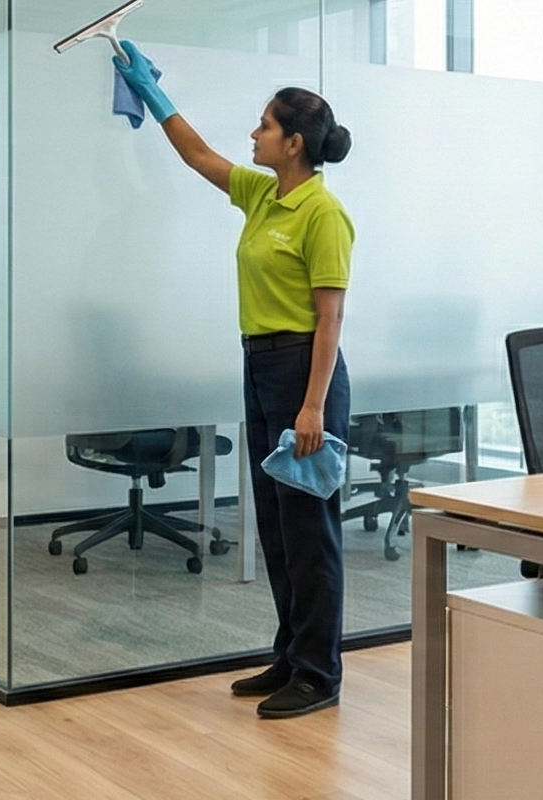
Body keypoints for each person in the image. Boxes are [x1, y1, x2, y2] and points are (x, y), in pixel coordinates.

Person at [113, 43, 355, 719]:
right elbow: (196, 154)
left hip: (305, 372)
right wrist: (151, 92)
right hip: (262, 365)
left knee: (309, 529)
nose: (254, 133)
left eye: (265, 125)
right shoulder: (262, 195)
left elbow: (331, 319)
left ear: (294, 142)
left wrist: (313, 407)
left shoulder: (323, 214)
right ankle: (291, 656)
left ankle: (319, 674)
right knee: (276, 524)